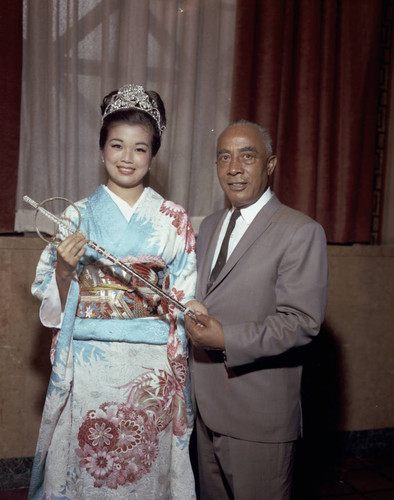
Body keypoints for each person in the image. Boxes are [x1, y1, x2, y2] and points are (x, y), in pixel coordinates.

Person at [29, 83, 202, 499]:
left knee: (143, 473)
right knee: (88, 468)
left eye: (140, 149)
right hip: (90, 367)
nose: (127, 158)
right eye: (117, 145)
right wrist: (67, 269)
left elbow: (183, 295)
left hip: (151, 369)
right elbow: (51, 301)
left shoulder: (172, 219)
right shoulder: (77, 215)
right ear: (102, 148)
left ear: (153, 155)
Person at [185, 120, 328, 500]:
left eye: (247, 156)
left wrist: (225, 338)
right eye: (224, 157)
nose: (234, 168)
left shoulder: (301, 231)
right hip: (205, 410)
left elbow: (302, 323)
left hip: (258, 417)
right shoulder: (211, 225)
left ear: (270, 164)